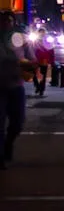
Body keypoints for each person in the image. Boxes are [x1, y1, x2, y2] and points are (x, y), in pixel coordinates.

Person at [0, 12, 35, 168]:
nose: (7, 23)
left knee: (18, 123)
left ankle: (9, 143)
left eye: (10, 20)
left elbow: (32, 60)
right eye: (4, 21)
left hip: (16, 85)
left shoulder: (20, 39)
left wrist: (28, 66)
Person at [33, 28, 54, 97]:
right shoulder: (35, 41)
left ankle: (41, 89)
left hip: (44, 59)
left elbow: (51, 51)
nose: (41, 34)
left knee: (43, 75)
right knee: (33, 74)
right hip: (35, 59)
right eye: (40, 32)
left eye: (43, 32)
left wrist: (52, 61)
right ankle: (38, 86)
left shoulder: (48, 41)